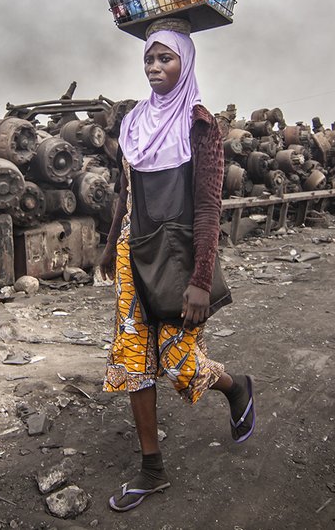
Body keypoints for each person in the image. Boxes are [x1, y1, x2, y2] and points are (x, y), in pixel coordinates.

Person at [99, 27, 255, 513]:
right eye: (149, 60)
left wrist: (200, 280)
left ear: (185, 63)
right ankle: (152, 469)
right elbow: (125, 193)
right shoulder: (134, 122)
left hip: (177, 258)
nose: (154, 67)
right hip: (132, 253)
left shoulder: (200, 125)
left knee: (181, 364)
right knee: (131, 360)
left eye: (165, 58)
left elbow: (209, 207)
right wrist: (109, 248)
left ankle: (236, 387)